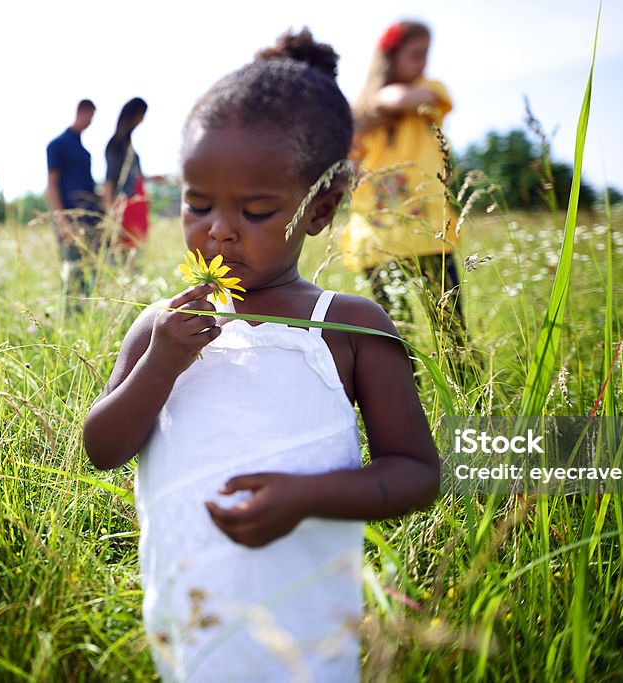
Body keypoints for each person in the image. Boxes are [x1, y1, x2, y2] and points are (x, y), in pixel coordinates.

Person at [82, 29, 440, 683]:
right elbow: (102, 447)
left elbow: (417, 472)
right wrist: (160, 363)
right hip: (191, 629)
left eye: (254, 209)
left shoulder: (350, 328)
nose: (217, 228)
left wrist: (305, 497)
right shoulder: (161, 326)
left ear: (321, 210)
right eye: (197, 203)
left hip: (306, 633)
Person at [341, 20, 466, 354]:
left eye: (426, 54)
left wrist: (372, 106)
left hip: (429, 232)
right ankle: (407, 395)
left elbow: (406, 97)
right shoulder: (358, 117)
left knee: (453, 329)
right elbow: (349, 164)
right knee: (395, 332)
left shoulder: (429, 92)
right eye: (415, 54)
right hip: (376, 234)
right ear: (389, 57)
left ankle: (468, 397)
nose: (422, 63)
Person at [46, 99, 104, 309]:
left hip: (90, 218)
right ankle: (73, 315)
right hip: (70, 219)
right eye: (90, 116)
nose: (91, 122)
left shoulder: (83, 149)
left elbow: (87, 186)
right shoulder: (58, 144)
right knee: (73, 271)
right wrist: (62, 221)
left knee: (94, 270)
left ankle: (90, 311)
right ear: (83, 112)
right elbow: (52, 184)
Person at [102, 97, 162, 259]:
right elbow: (109, 180)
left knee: (137, 250)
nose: (142, 120)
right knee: (126, 252)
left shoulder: (129, 145)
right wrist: (110, 212)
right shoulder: (115, 145)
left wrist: (150, 178)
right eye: (141, 115)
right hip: (125, 206)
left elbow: (135, 176)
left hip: (138, 203)